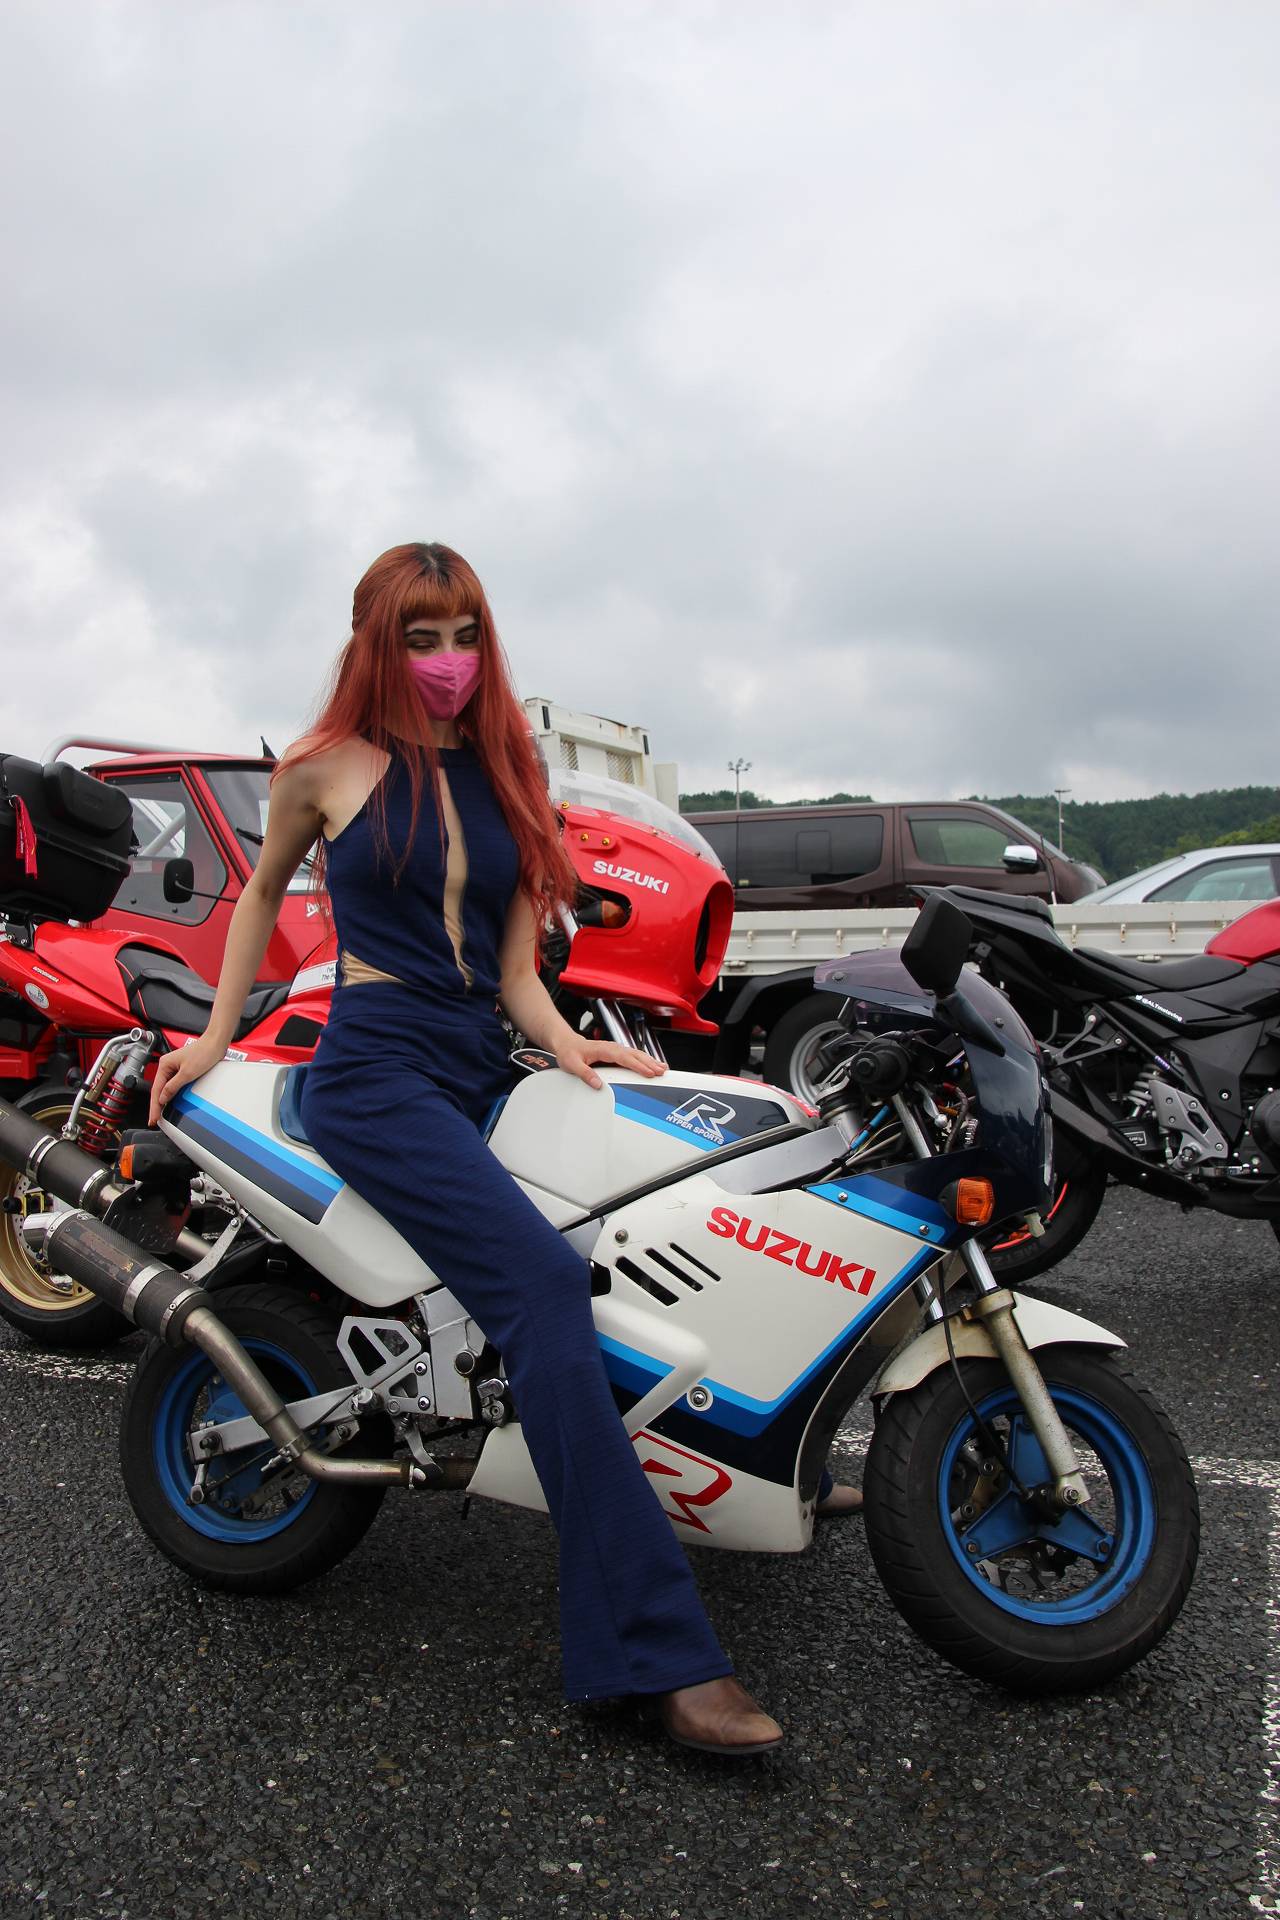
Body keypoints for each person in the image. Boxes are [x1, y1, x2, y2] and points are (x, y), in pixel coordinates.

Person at [149, 541, 853, 1757]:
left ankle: (754, 1461)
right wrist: (214, 1035)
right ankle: (658, 1653)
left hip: (482, 1055)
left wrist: (574, 1045)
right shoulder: (322, 767)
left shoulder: (507, 771)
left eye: (464, 635)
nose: (446, 661)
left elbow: (519, 968)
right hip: (373, 1072)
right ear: (375, 644)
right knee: (540, 1289)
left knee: (649, 1229)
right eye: (420, 638)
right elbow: (260, 895)